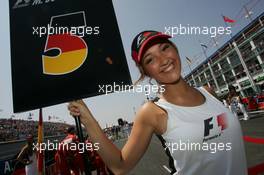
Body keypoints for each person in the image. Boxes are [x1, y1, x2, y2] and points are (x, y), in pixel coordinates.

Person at [68, 30, 248, 175]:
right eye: (150, 59)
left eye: (164, 48)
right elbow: (120, 166)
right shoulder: (152, 112)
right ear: (145, 71)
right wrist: (88, 120)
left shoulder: (209, 92)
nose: (163, 60)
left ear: (175, 49)